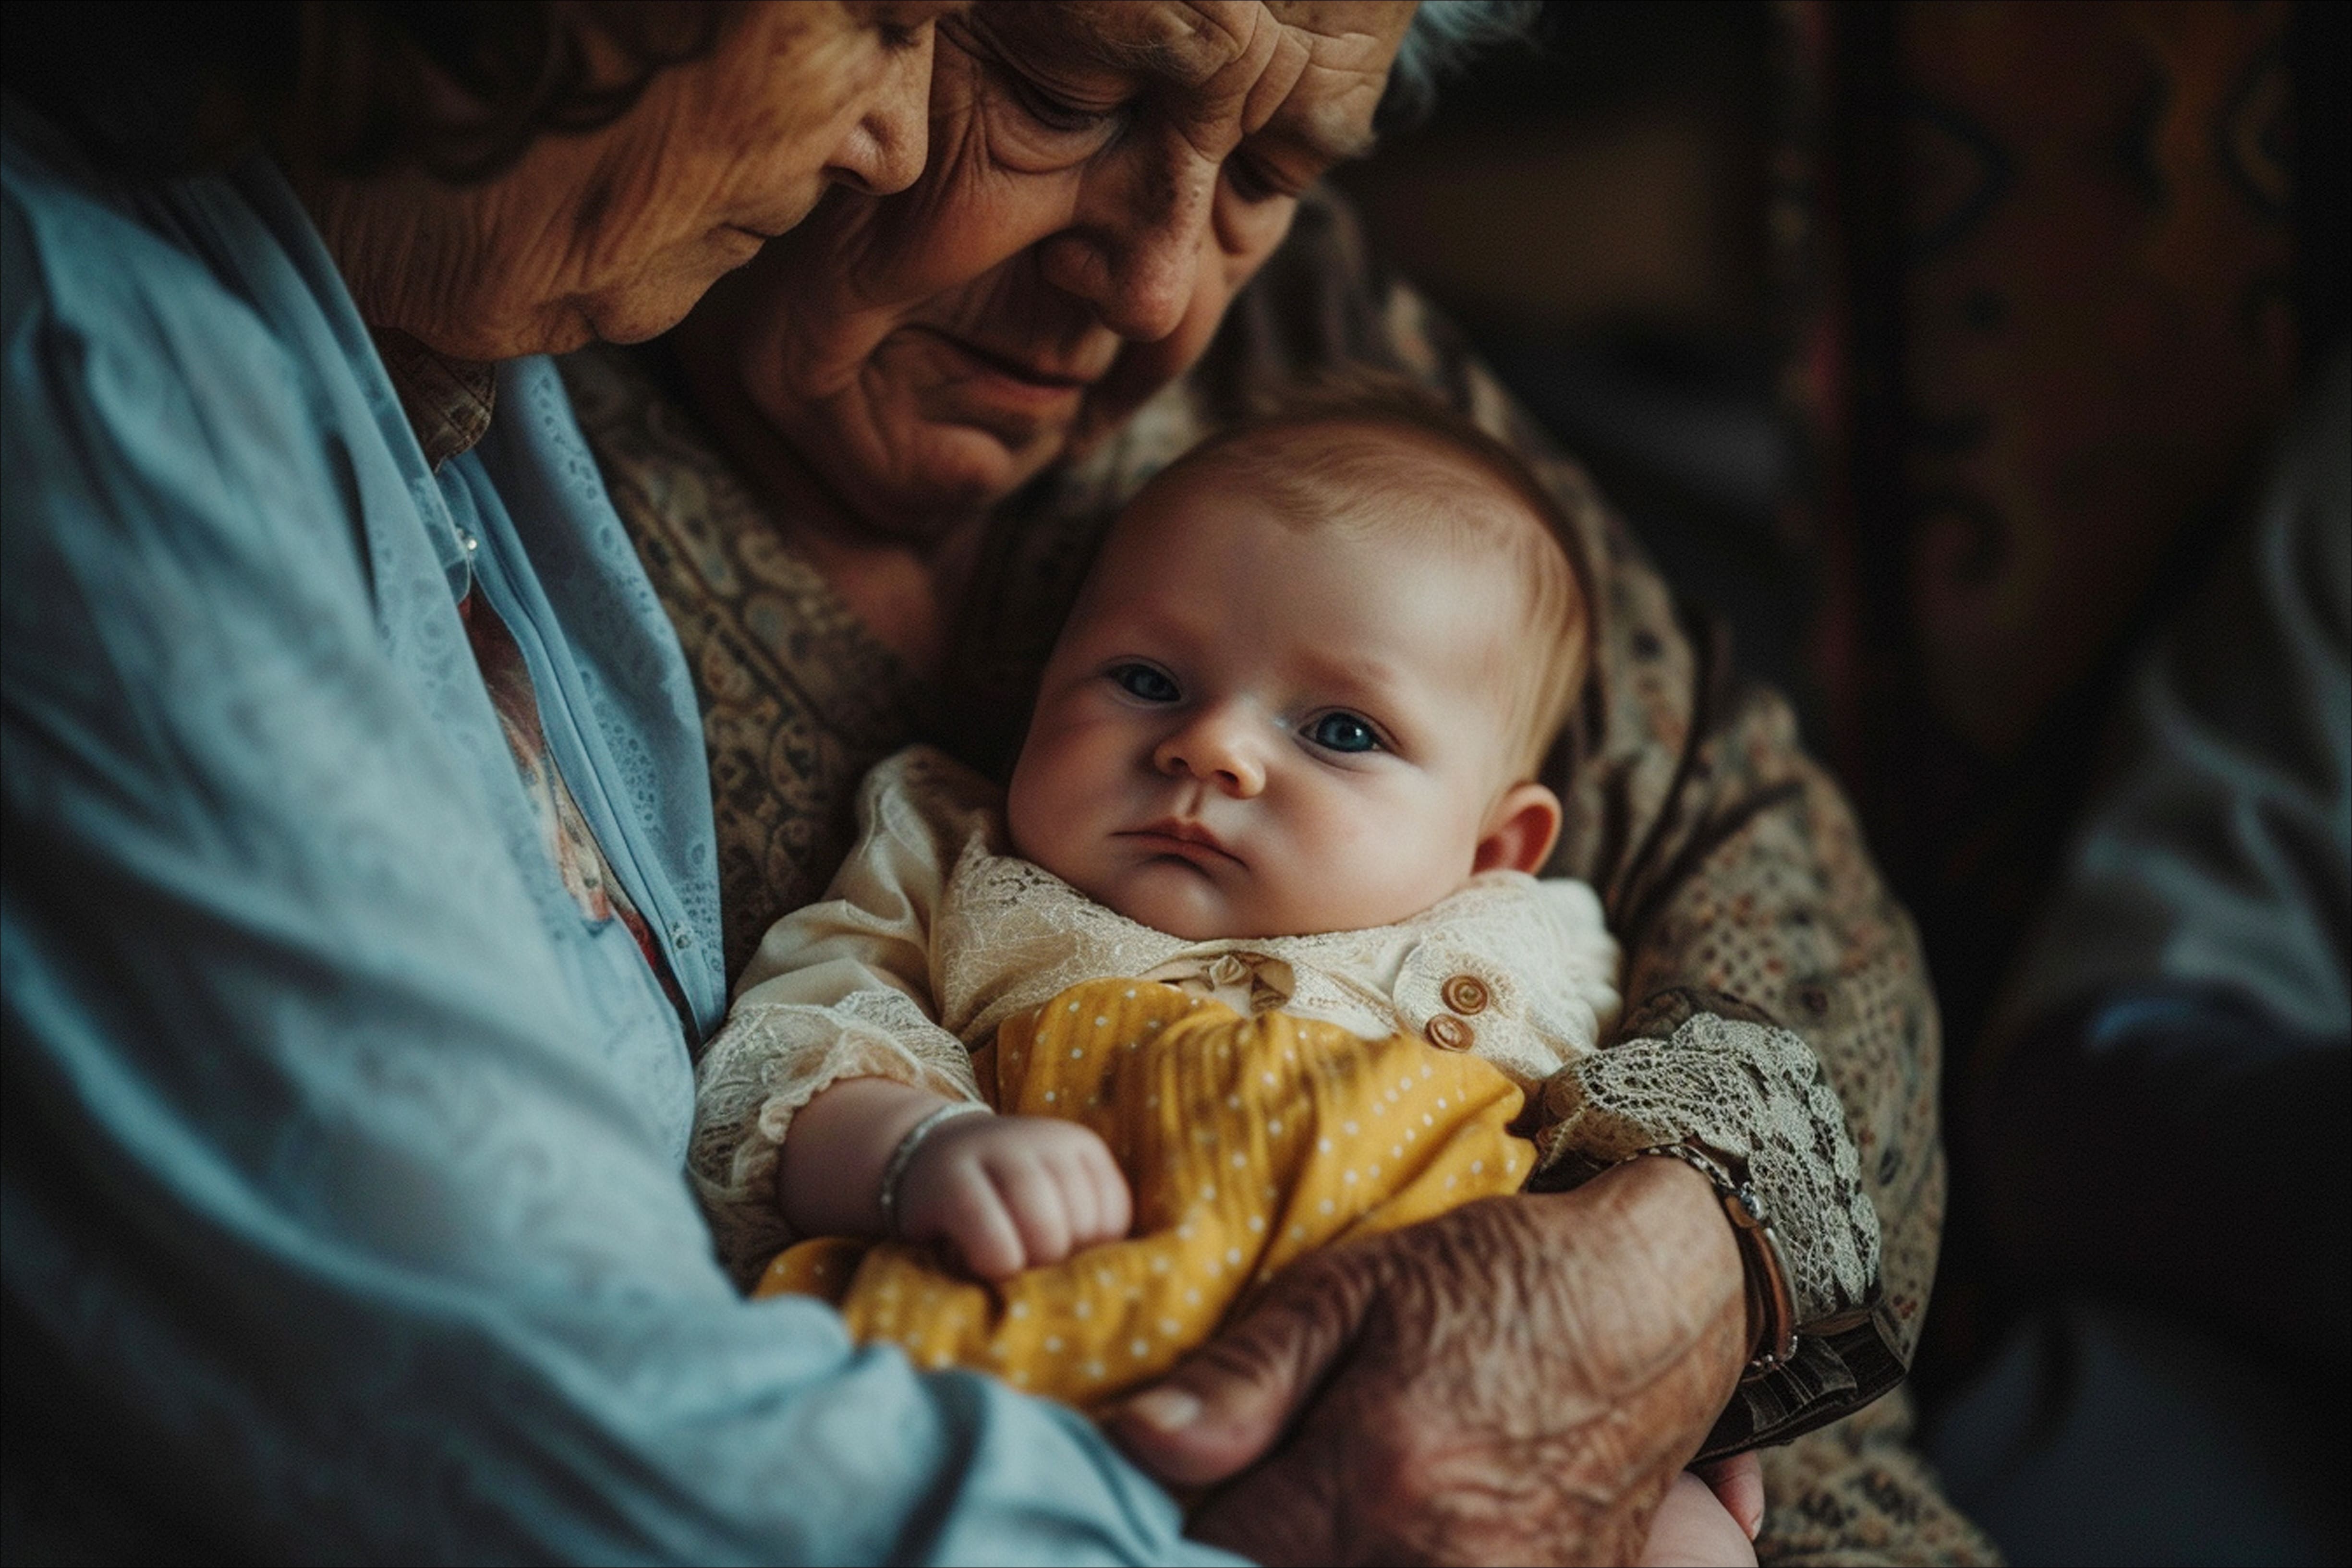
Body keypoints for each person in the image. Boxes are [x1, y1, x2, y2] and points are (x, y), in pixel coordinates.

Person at [566, 2, 1997, 1558]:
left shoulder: (1316, 340)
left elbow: (1760, 859)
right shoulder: (513, 436)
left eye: (1266, 170)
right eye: (1064, 95)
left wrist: (1692, 1276)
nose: (1156, 286)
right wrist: (912, 1150)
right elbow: (784, 1069)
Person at [5, 2, 1276, 1560]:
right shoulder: (86, 384)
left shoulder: (469, 366)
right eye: (882, 19)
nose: (892, 137)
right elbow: (553, 1416)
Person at [708, 396, 1769, 1566]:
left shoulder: (1541, 939)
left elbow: (1635, 1164)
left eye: (1342, 731)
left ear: (1491, 847)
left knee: (1691, 1540)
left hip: (1428, 1384)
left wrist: (1679, 1383)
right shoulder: (954, 855)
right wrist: (914, 1149)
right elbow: (796, 1044)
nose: (1211, 747)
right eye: (1145, 678)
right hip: (1042, 1359)